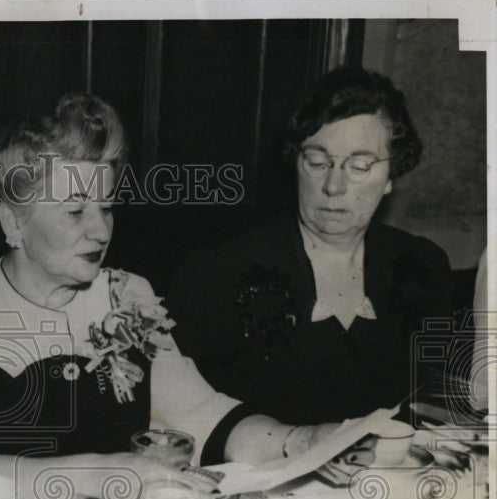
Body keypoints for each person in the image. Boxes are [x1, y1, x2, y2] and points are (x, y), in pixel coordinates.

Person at [0, 93, 338, 499]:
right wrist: (101, 473)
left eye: (107, 208)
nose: (100, 232)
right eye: (75, 212)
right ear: (13, 222)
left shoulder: (129, 296)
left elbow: (197, 411)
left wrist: (298, 441)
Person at [170, 68, 452, 425]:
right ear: (297, 164)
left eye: (360, 166)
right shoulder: (223, 270)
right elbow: (175, 410)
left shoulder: (422, 266)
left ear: (390, 177)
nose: (334, 185)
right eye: (317, 162)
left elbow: (435, 409)